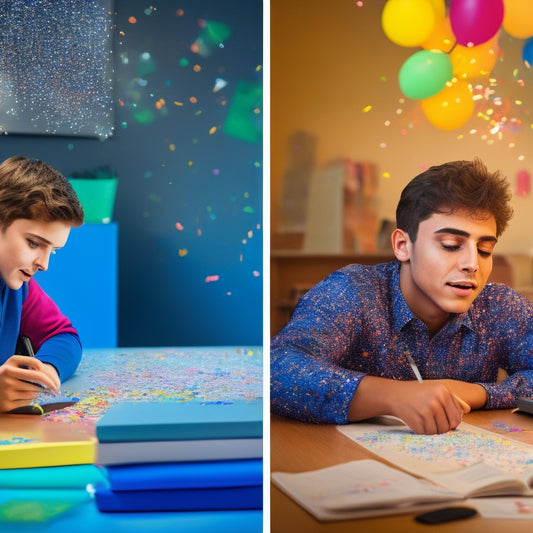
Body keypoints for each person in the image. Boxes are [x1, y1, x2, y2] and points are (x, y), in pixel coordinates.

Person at [271, 158, 533, 435]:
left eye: (484, 250)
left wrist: (476, 392)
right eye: (451, 245)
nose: (472, 264)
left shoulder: (501, 306)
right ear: (402, 245)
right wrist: (393, 396)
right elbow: (278, 369)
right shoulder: (353, 291)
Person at [0, 155, 84, 413]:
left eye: (53, 250)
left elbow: (64, 336)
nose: (44, 264)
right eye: (34, 243)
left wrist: (45, 368)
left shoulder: (17, 286)